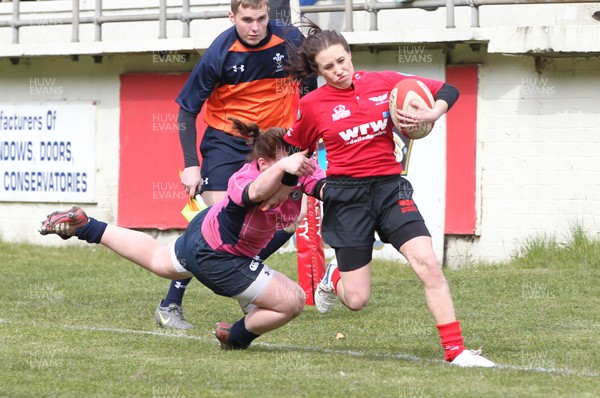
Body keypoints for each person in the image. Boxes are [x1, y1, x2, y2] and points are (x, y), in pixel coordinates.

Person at [282, 23, 496, 367]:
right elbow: (293, 158)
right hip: (347, 199)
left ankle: (457, 351)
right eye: (329, 67)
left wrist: (431, 113)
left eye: (342, 61)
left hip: (390, 189)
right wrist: (315, 186)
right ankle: (333, 277)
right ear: (318, 71)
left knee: (428, 264)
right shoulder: (313, 105)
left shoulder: (383, 82)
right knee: (357, 299)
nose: (339, 71)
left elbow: (448, 90)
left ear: (350, 55)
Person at [39, 119, 325, 351]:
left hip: (206, 233)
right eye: (290, 163)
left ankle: (86, 225)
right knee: (292, 301)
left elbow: (326, 188)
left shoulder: (300, 171)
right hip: (220, 256)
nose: (298, 170)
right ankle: (236, 337)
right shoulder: (245, 178)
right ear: (264, 164)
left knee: (157, 258)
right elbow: (258, 193)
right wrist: (284, 168)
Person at [157, 0, 318, 329]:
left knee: (290, 220)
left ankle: (248, 279)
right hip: (227, 144)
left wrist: (305, 144)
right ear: (232, 17)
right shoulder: (220, 52)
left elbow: (309, 93)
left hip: (276, 147)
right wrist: (191, 165)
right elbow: (187, 110)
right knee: (215, 228)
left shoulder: (289, 41)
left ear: (268, 15)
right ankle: (170, 302)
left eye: (260, 18)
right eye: (246, 20)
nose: (255, 27)